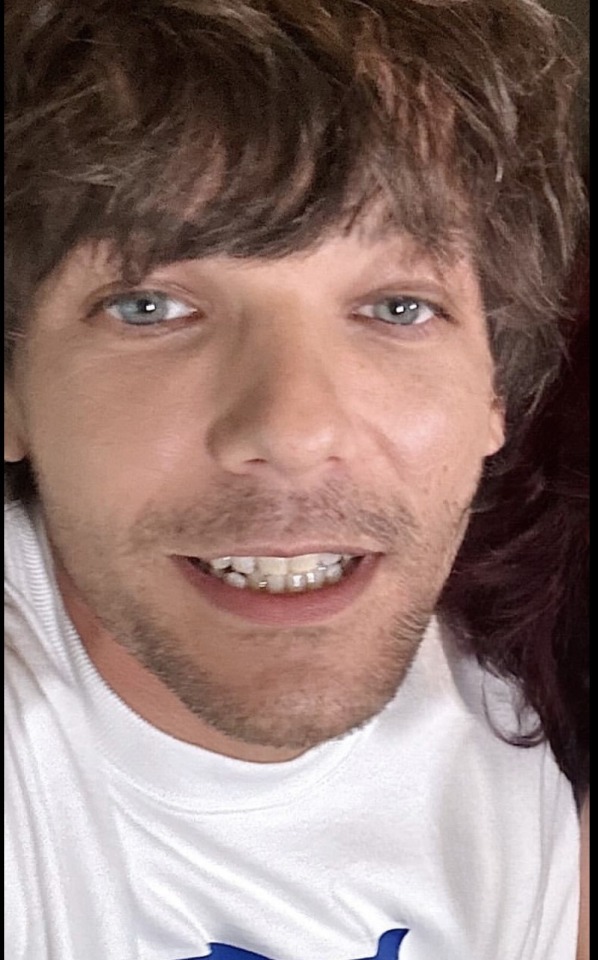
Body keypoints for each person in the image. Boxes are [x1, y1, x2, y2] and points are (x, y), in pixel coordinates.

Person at [4, 1, 588, 958]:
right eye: (149, 306)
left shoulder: (506, 756)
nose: (293, 431)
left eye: (398, 307)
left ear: (495, 393)